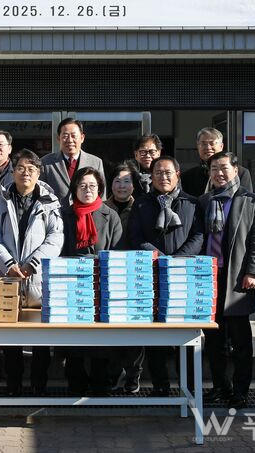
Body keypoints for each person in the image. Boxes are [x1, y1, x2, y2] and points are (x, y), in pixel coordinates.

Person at [0, 149, 64, 396]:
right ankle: (13, 386)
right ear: (13, 171)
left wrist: (34, 263)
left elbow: (55, 238)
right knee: (10, 337)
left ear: (39, 173)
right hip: (8, 277)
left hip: (38, 278)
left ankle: (39, 385)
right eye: (20, 168)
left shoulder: (50, 202)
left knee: (41, 338)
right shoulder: (0, 202)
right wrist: (8, 264)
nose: (25, 173)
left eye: (31, 169)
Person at [127, 156, 204, 396]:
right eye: (158, 173)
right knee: (155, 332)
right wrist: (159, 258)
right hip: (152, 274)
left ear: (177, 174)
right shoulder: (141, 204)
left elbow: (199, 235)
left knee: (186, 332)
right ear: (151, 177)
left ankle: (189, 386)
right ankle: (160, 385)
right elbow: (135, 236)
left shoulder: (192, 203)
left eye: (168, 172)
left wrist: (178, 260)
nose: (163, 177)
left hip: (184, 275)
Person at [197, 151, 255, 410]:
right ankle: (220, 387)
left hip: (237, 276)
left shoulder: (250, 201)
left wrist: (254, 272)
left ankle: (241, 390)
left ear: (236, 170)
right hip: (209, 276)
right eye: (214, 168)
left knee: (240, 340)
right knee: (214, 339)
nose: (219, 173)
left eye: (224, 167)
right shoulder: (205, 200)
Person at [60, 167, 123, 395]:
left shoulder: (110, 215)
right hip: (71, 283)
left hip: (102, 282)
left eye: (93, 186)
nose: (88, 190)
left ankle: (100, 383)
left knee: (101, 338)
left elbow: (118, 250)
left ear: (100, 189)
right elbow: (59, 249)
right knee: (73, 337)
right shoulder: (64, 215)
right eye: (83, 185)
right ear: (74, 188)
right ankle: (75, 382)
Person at [104, 162, 145, 393]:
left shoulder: (141, 207)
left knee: (135, 328)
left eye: (127, 181)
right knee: (110, 328)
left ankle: (133, 374)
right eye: (117, 181)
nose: (122, 186)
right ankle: (113, 373)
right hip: (108, 275)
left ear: (134, 185)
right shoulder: (102, 208)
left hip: (134, 275)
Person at [40, 117, 105, 206]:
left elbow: (102, 195)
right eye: (65, 136)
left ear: (82, 138)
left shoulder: (96, 162)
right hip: (58, 213)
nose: (70, 140)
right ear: (58, 138)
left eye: (74, 136)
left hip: (87, 212)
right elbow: (41, 194)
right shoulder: (46, 162)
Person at [182, 127, 253, 197]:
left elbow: (246, 201)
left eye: (212, 143)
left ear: (221, 146)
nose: (208, 147)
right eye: (203, 144)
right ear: (198, 146)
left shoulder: (241, 173)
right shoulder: (188, 176)